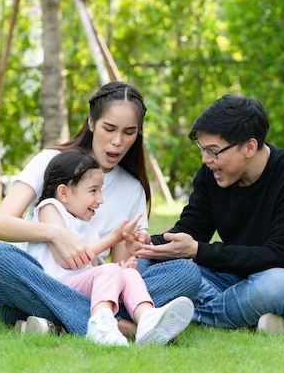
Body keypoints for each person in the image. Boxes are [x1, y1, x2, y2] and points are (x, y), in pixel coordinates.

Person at [0, 81, 202, 338]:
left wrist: (131, 253)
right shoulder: (51, 162)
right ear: (91, 122)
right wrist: (55, 234)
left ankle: (64, 320)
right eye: (109, 129)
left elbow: (118, 267)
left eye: (129, 132)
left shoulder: (133, 189)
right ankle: (120, 325)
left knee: (186, 273)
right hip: (41, 280)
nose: (117, 142)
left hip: (93, 285)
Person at [128, 94, 284, 334]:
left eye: (214, 151)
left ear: (249, 146)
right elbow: (192, 228)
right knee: (144, 263)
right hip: (229, 280)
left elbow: (280, 256)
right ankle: (256, 318)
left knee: (274, 285)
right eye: (203, 149)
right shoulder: (212, 173)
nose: (206, 159)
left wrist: (198, 250)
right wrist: (151, 244)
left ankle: (184, 314)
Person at [27, 148, 193, 346]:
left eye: (100, 191)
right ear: (64, 192)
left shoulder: (87, 229)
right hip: (56, 288)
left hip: (79, 290)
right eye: (93, 191)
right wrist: (113, 239)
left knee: (130, 275)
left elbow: (93, 271)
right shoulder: (49, 208)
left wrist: (121, 276)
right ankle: (101, 324)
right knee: (111, 270)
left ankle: (147, 318)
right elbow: (67, 259)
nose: (100, 199)